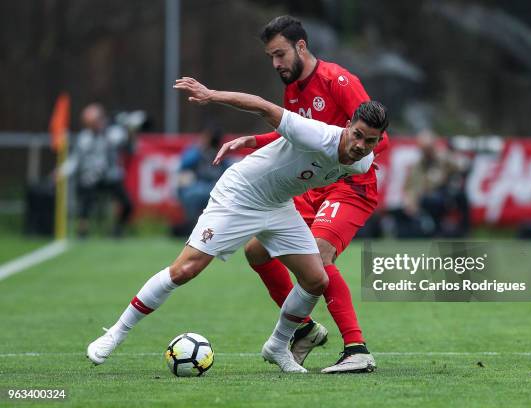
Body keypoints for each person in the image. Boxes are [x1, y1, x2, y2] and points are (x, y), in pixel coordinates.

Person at [86, 76, 388, 374]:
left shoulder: (362, 162)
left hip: (279, 206)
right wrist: (210, 94)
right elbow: (261, 106)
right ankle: (116, 332)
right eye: (357, 135)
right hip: (241, 196)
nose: (361, 145)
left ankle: (277, 346)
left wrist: (258, 143)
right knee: (185, 270)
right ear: (348, 126)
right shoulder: (319, 135)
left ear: (379, 140)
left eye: (370, 140)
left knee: (316, 280)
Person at [214, 15, 388, 373]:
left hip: (350, 185)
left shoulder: (338, 80)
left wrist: (347, 159)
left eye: (280, 55)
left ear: (301, 47)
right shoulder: (293, 88)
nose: (276, 64)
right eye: (271, 58)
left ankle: (357, 349)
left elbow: (377, 138)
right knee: (257, 251)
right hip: (313, 185)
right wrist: (254, 140)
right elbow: (296, 135)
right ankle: (305, 329)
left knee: (320, 259)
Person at [58, 103, 133, 238]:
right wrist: (61, 172)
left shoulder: (113, 133)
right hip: (91, 177)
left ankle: (118, 228)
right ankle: (82, 229)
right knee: (85, 192)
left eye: (98, 119)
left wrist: (128, 130)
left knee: (127, 203)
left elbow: (126, 143)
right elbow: (75, 160)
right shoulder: (84, 139)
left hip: (110, 177)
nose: (97, 123)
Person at [401, 129, 470, 237]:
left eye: (429, 148)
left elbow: (461, 167)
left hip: (445, 193)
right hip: (428, 197)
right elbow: (411, 187)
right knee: (431, 201)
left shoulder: (444, 158)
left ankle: (464, 231)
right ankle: (436, 231)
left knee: (461, 196)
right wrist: (410, 202)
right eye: (424, 149)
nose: (428, 151)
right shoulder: (417, 166)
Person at [176, 124, 227, 226]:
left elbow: (227, 171)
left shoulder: (223, 152)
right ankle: (192, 225)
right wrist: (200, 148)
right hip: (198, 185)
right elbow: (184, 164)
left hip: (215, 187)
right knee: (190, 191)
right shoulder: (197, 151)